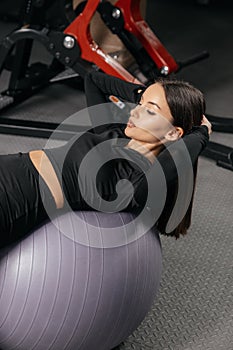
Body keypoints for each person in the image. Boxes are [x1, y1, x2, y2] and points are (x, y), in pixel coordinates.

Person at [0, 71, 211, 248]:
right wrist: (144, 93)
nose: (135, 112)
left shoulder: (139, 180)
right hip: (10, 166)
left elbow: (178, 158)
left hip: (17, 200)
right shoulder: (114, 133)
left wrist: (201, 134)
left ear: (174, 133)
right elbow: (94, 80)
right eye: (139, 104)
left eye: (149, 110)